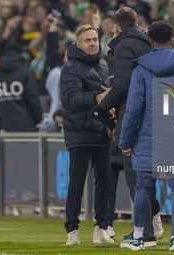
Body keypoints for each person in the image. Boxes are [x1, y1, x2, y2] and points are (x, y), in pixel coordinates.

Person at [119, 20, 174, 252]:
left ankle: (138, 236)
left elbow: (133, 109)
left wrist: (125, 141)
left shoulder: (142, 69)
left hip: (149, 137)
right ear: (173, 41)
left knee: (144, 187)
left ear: (150, 42)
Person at [93, 7, 163, 244]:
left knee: (135, 180)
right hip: (156, 117)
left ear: (117, 27)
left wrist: (101, 107)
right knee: (146, 178)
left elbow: (124, 87)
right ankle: (153, 226)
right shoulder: (148, 43)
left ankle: (145, 233)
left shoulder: (123, 46)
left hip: (133, 117)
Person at [61, 24, 114, 245]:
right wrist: (98, 98)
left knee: (104, 182)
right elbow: (71, 99)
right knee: (77, 182)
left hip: (101, 131)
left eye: (95, 39)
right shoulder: (70, 68)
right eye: (88, 40)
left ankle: (101, 228)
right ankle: (72, 230)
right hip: (79, 132)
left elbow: (107, 93)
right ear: (78, 44)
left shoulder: (103, 63)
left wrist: (111, 104)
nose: (93, 43)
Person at [0, 43, 42, 131]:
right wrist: (38, 120)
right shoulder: (25, 73)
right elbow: (33, 100)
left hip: (1, 127)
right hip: (25, 126)